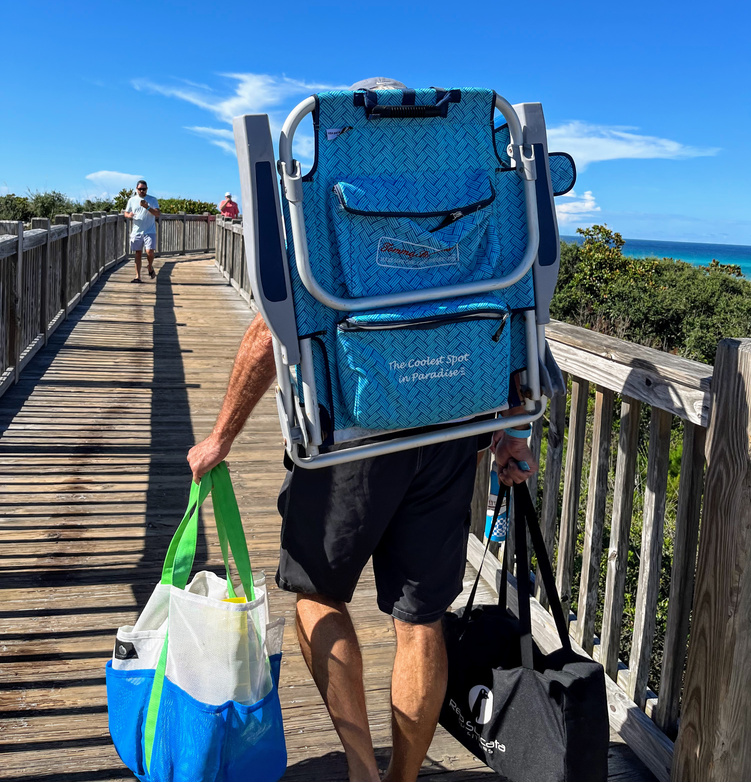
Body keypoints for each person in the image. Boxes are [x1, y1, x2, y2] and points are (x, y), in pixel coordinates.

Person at [187, 79, 537, 782]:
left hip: (351, 427)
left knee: (318, 597)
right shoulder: (472, 182)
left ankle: (361, 772)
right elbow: (514, 298)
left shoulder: (324, 199)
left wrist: (220, 436)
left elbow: (268, 332)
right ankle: (404, 776)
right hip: (451, 424)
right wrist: (510, 425)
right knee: (421, 620)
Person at [124, 180, 160, 282]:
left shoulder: (152, 200)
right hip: (137, 231)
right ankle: (137, 276)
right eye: (140, 189)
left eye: (144, 189)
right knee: (138, 253)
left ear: (147, 189)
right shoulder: (132, 200)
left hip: (150, 231)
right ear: (136, 189)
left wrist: (147, 207)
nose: (142, 191)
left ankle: (150, 266)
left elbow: (157, 214)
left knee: (150, 252)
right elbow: (125, 213)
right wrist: (129, 215)